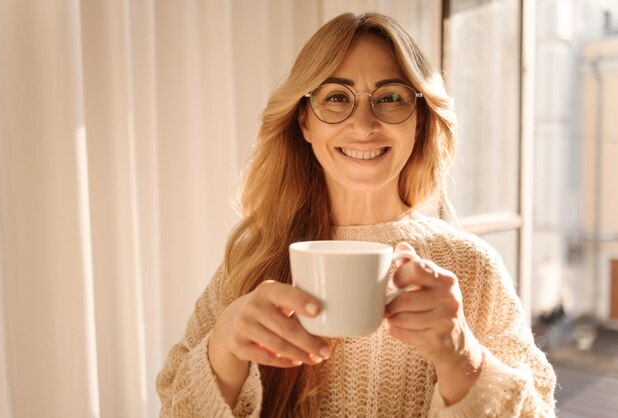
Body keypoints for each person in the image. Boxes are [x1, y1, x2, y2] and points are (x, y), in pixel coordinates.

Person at [156, 12, 557, 418]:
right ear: (304, 121)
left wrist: (461, 355)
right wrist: (222, 349)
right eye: (335, 97)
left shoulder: (471, 268)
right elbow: (172, 410)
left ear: (419, 121)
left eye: (389, 98)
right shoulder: (252, 257)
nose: (363, 125)